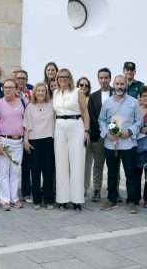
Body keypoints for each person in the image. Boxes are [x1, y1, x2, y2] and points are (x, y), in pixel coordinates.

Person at [99, 76, 143, 213]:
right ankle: (112, 200)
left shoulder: (133, 102)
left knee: (130, 174)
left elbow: (139, 121)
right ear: (114, 85)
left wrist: (129, 132)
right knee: (112, 173)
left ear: (126, 85)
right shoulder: (107, 102)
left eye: (122, 84)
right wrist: (107, 133)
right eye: (117, 84)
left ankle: (132, 201)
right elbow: (101, 120)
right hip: (111, 143)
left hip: (128, 144)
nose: (119, 86)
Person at [53, 68, 90, 210]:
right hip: (59, 127)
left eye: (65, 76)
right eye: (60, 76)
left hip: (76, 126)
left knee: (77, 162)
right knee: (61, 163)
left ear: (70, 78)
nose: (62, 78)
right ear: (57, 79)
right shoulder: (55, 93)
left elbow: (85, 112)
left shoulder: (78, 92)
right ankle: (62, 199)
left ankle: (77, 199)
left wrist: (86, 131)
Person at [0, 79, 26, 210]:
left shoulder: (22, 102)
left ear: (16, 89)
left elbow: (26, 121)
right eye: (5, 87)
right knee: (3, 172)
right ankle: (4, 200)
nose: (8, 89)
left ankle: (14, 198)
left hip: (18, 143)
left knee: (15, 171)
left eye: (11, 87)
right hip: (4, 142)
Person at [24, 83, 56, 209]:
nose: (41, 93)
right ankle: (37, 200)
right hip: (34, 142)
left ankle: (48, 199)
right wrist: (26, 141)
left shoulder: (52, 106)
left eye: (43, 91)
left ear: (46, 93)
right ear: (35, 93)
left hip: (48, 141)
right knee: (35, 172)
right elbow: (26, 125)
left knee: (48, 172)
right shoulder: (30, 107)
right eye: (38, 91)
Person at [85, 68, 111, 202]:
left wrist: (111, 130)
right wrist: (103, 129)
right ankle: (96, 190)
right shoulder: (93, 96)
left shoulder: (116, 93)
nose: (103, 80)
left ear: (110, 79)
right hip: (98, 135)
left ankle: (114, 190)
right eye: (101, 78)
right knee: (98, 164)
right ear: (98, 79)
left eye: (106, 77)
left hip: (114, 135)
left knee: (114, 165)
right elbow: (91, 116)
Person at [15, 70, 32, 202]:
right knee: (13, 164)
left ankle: (26, 192)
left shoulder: (31, 93)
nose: (21, 80)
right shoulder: (11, 93)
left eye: (23, 78)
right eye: (19, 78)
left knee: (26, 164)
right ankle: (12, 191)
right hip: (14, 132)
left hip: (28, 132)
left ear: (26, 80)